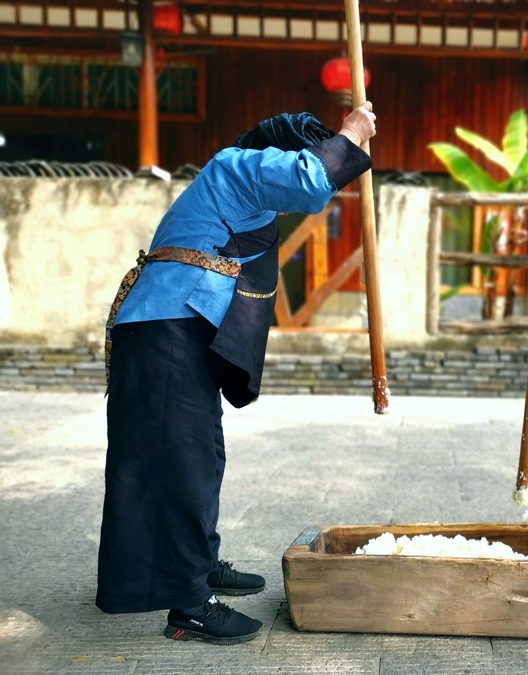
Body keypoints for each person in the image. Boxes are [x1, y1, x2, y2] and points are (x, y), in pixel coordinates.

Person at [96, 104, 376, 645]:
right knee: (181, 460)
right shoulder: (236, 164)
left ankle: (196, 564)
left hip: (173, 326)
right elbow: (312, 180)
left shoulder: (235, 188)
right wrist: (352, 133)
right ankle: (190, 602)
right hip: (166, 323)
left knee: (195, 453)